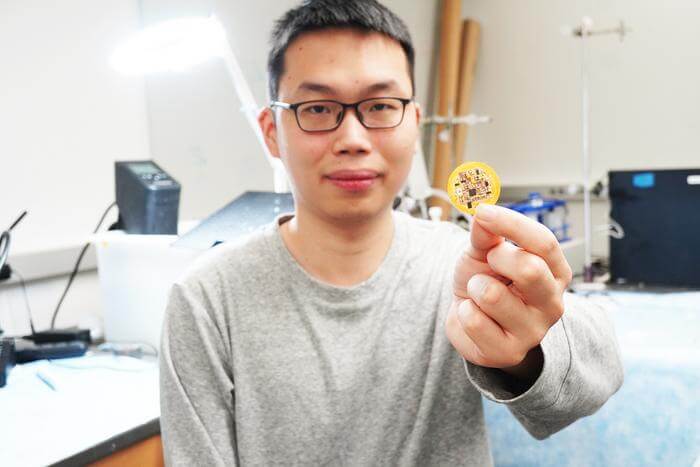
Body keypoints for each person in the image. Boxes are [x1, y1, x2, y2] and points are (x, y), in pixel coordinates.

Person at [159, 1, 624, 465]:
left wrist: (525, 350)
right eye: (318, 108)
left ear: (414, 122)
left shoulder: (465, 270)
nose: (353, 138)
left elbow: (596, 375)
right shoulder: (205, 299)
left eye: (381, 106)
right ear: (272, 131)